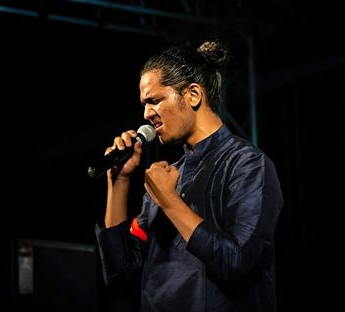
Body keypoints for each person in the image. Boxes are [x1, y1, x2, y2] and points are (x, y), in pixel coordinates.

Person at [95, 40, 283, 312]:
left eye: (154, 100)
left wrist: (169, 201)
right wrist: (119, 181)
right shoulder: (168, 177)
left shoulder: (248, 165)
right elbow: (120, 276)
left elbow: (236, 260)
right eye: (145, 104)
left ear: (193, 95)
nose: (147, 114)